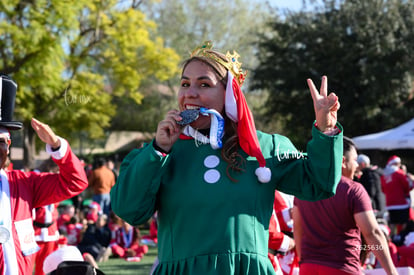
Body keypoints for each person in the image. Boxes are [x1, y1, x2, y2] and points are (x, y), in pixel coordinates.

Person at [110, 40, 344, 274]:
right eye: (185, 83)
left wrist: (325, 130)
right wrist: (158, 150)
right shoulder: (158, 153)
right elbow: (129, 210)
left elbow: (319, 184)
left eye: (204, 84)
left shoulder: (266, 147)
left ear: (230, 92)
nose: (190, 93)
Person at [0, 74, 88, 275]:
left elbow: (76, 182)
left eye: (0, 142)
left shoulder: (24, 183)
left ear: (9, 145)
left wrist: (57, 146)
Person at [293, 137, 398, 275]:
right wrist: (392, 272)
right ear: (343, 161)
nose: (357, 166)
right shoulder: (353, 190)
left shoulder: (304, 189)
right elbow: (372, 233)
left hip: (308, 267)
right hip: (342, 267)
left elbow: (298, 230)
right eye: (355, 160)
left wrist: (304, 261)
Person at [381, 155, 413, 234]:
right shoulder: (399, 173)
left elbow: (383, 189)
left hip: (390, 203)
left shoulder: (384, 175)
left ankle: (392, 238)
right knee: (404, 222)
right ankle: (401, 237)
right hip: (401, 203)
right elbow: (407, 187)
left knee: (392, 222)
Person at [356, 154, 386, 218]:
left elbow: (371, 191)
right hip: (379, 202)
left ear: (363, 164)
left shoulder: (369, 174)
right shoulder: (375, 172)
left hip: (374, 205)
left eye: (358, 164)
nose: (356, 166)